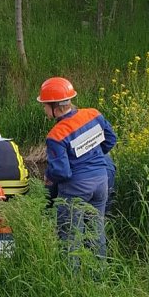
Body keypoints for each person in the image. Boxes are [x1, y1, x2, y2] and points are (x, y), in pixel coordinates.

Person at [37, 77, 117, 259]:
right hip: (101, 182)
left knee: (70, 238)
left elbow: (62, 172)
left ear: (54, 106)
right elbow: (111, 140)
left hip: (76, 188)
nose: (43, 109)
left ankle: (71, 281)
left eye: (44, 105)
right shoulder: (94, 115)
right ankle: (99, 276)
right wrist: (91, 155)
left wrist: (48, 175)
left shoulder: (56, 135)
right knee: (96, 233)